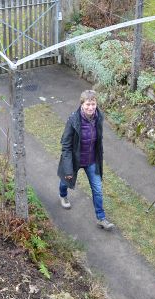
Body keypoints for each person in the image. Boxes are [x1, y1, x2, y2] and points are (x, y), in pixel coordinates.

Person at [57, 90, 115, 230]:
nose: (91, 108)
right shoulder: (73, 120)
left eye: (93, 104)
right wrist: (68, 168)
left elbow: (98, 140)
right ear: (82, 104)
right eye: (88, 104)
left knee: (98, 190)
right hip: (75, 159)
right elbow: (66, 145)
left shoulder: (98, 117)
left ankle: (101, 218)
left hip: (92, 160)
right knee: (66, 180)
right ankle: (63, 195)